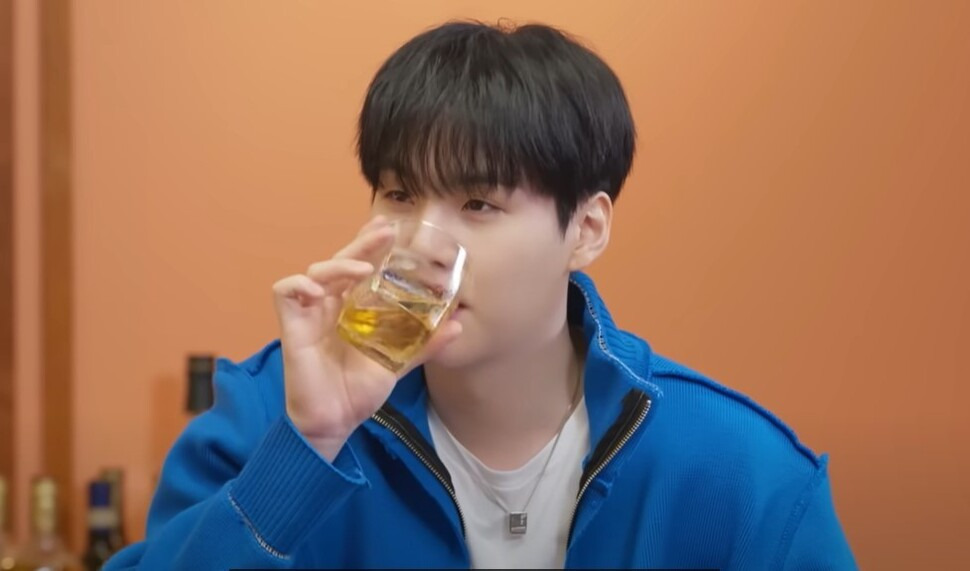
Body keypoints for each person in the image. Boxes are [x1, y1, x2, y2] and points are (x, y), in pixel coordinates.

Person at [105, 20, 856, 570]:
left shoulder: (739, 471)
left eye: (479, 204)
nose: (422, 242)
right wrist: (307, 448)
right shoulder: (271, 414)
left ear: (586, 229)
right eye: (399, 194)